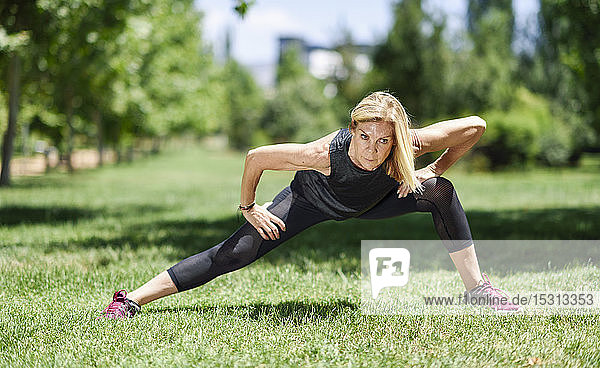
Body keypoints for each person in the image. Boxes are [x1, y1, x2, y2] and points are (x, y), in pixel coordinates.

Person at [100, 91, 520, 318]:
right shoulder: (323, 154)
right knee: (239, 251)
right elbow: (256, 157)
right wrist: (249, 207)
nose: (373, 151)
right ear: (352, 130)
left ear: (395, 138)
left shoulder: (407, 146)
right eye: (364, 138)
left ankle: (477, 291)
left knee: (442, 193)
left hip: (373, 203)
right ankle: (131, 300)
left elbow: (475, 126)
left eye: (383, 141)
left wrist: (436, 169)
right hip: (312, 202)